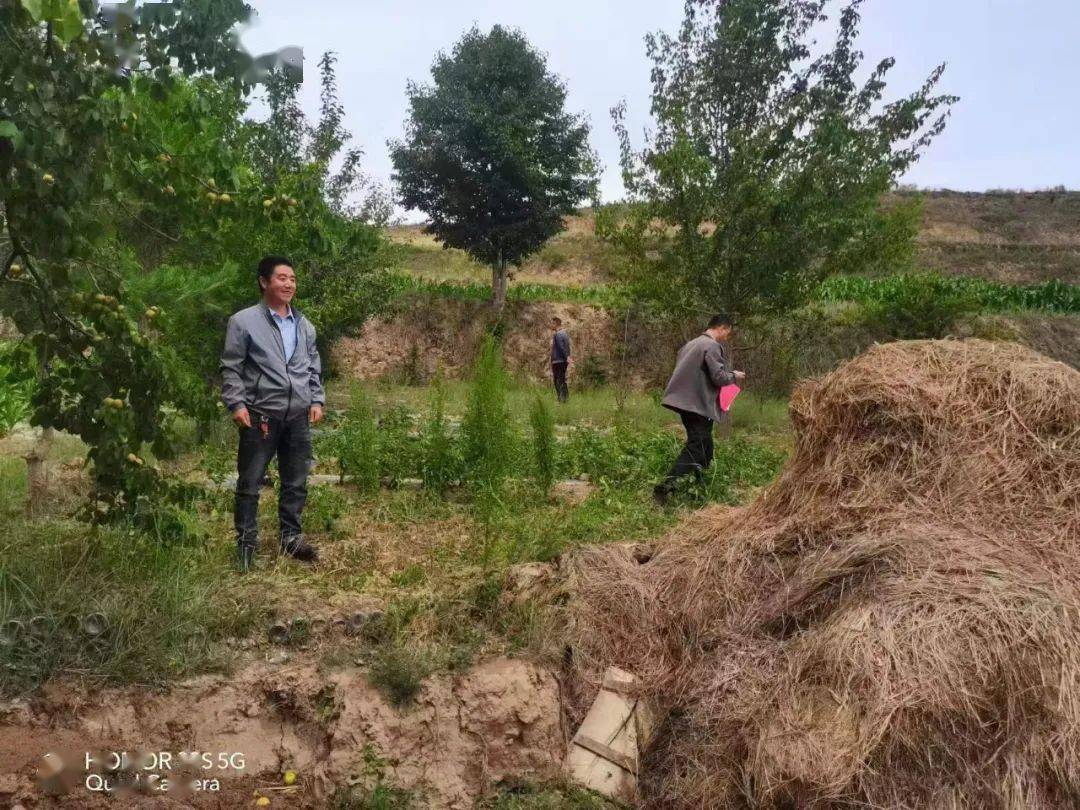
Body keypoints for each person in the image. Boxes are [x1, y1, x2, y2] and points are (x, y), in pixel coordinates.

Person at [220, 255, 325, 571]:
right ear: (264, 282)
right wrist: (237, 404)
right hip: (260, 415)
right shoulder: (243, 322)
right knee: (250, 483)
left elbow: (313, 367)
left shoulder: (304, 325)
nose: (289, 283)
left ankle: (291, 539)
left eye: (292, 278)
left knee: (296, 481)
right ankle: (247, 546)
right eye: (282, 278)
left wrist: (316, 400)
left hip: (297, 417)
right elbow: (231, 367)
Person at [653, 313, 745, 505]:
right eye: (727, 333)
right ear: (722, 328)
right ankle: (665, 486)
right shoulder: (711, 346)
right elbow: (719, 377)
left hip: (685, 402)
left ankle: (698, 487)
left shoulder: (691, 344)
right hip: (696, 405)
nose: (726, 338)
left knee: (706, 448)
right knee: (698, 446)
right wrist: (734, 375)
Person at [550, 317, 573, 403]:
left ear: (556, 324)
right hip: (563, 361)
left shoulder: (557, 334)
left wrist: (567, 357)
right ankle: (565, 398)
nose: (551, 325)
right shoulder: (565, 334)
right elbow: (567, 347)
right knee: (562, 379)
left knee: (557, 380)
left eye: (552, 323)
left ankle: (561, 399)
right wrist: (567, 357)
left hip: (558, 361)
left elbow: (561, 347)